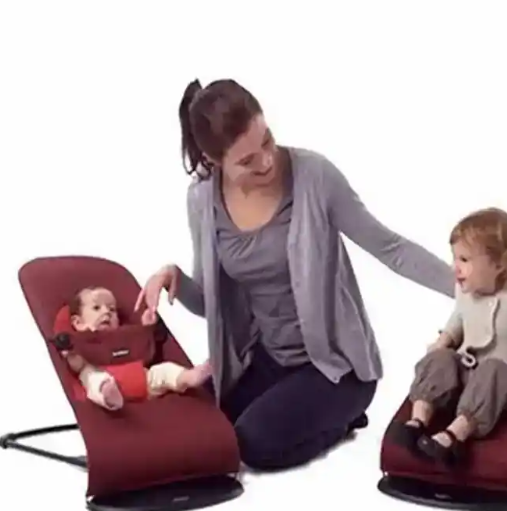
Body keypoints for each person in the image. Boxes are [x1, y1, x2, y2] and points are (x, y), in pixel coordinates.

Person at [135, 77, 455, 471]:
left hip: (335, 368)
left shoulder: (314, 176)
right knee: (202, 422)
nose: (266, 161)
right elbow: (209, 304)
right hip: (268, 360)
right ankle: (311, 414)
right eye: (246, 161)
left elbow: (391, 248)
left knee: (250, 445)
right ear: (215, 161)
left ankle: (343, 420)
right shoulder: (202, 199)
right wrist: (174, 279)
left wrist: (466, 288)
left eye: (267, 140)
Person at [396, 207, 507, 467]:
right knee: (440, 358)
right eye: (454, 258)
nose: (455, 267)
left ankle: (455, 435)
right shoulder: (465, 291)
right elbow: (459, 318)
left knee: (493, 369)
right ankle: (418, 420)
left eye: (464, 260)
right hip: (467, 374)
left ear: (499, 264)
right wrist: (444, 341)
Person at [63, 286, 212, 410]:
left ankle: (188, 377)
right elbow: (77, 365)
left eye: (112, 309)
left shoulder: (126, 335)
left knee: (163, 371)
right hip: (105, 376)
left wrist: (147, 328)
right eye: (96, 308)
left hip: (141, 380)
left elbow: (144, 348)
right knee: (90, 376)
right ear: (78, 323)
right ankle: (108, 394)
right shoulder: (80, 341)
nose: (106, 312)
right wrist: (71, 355)